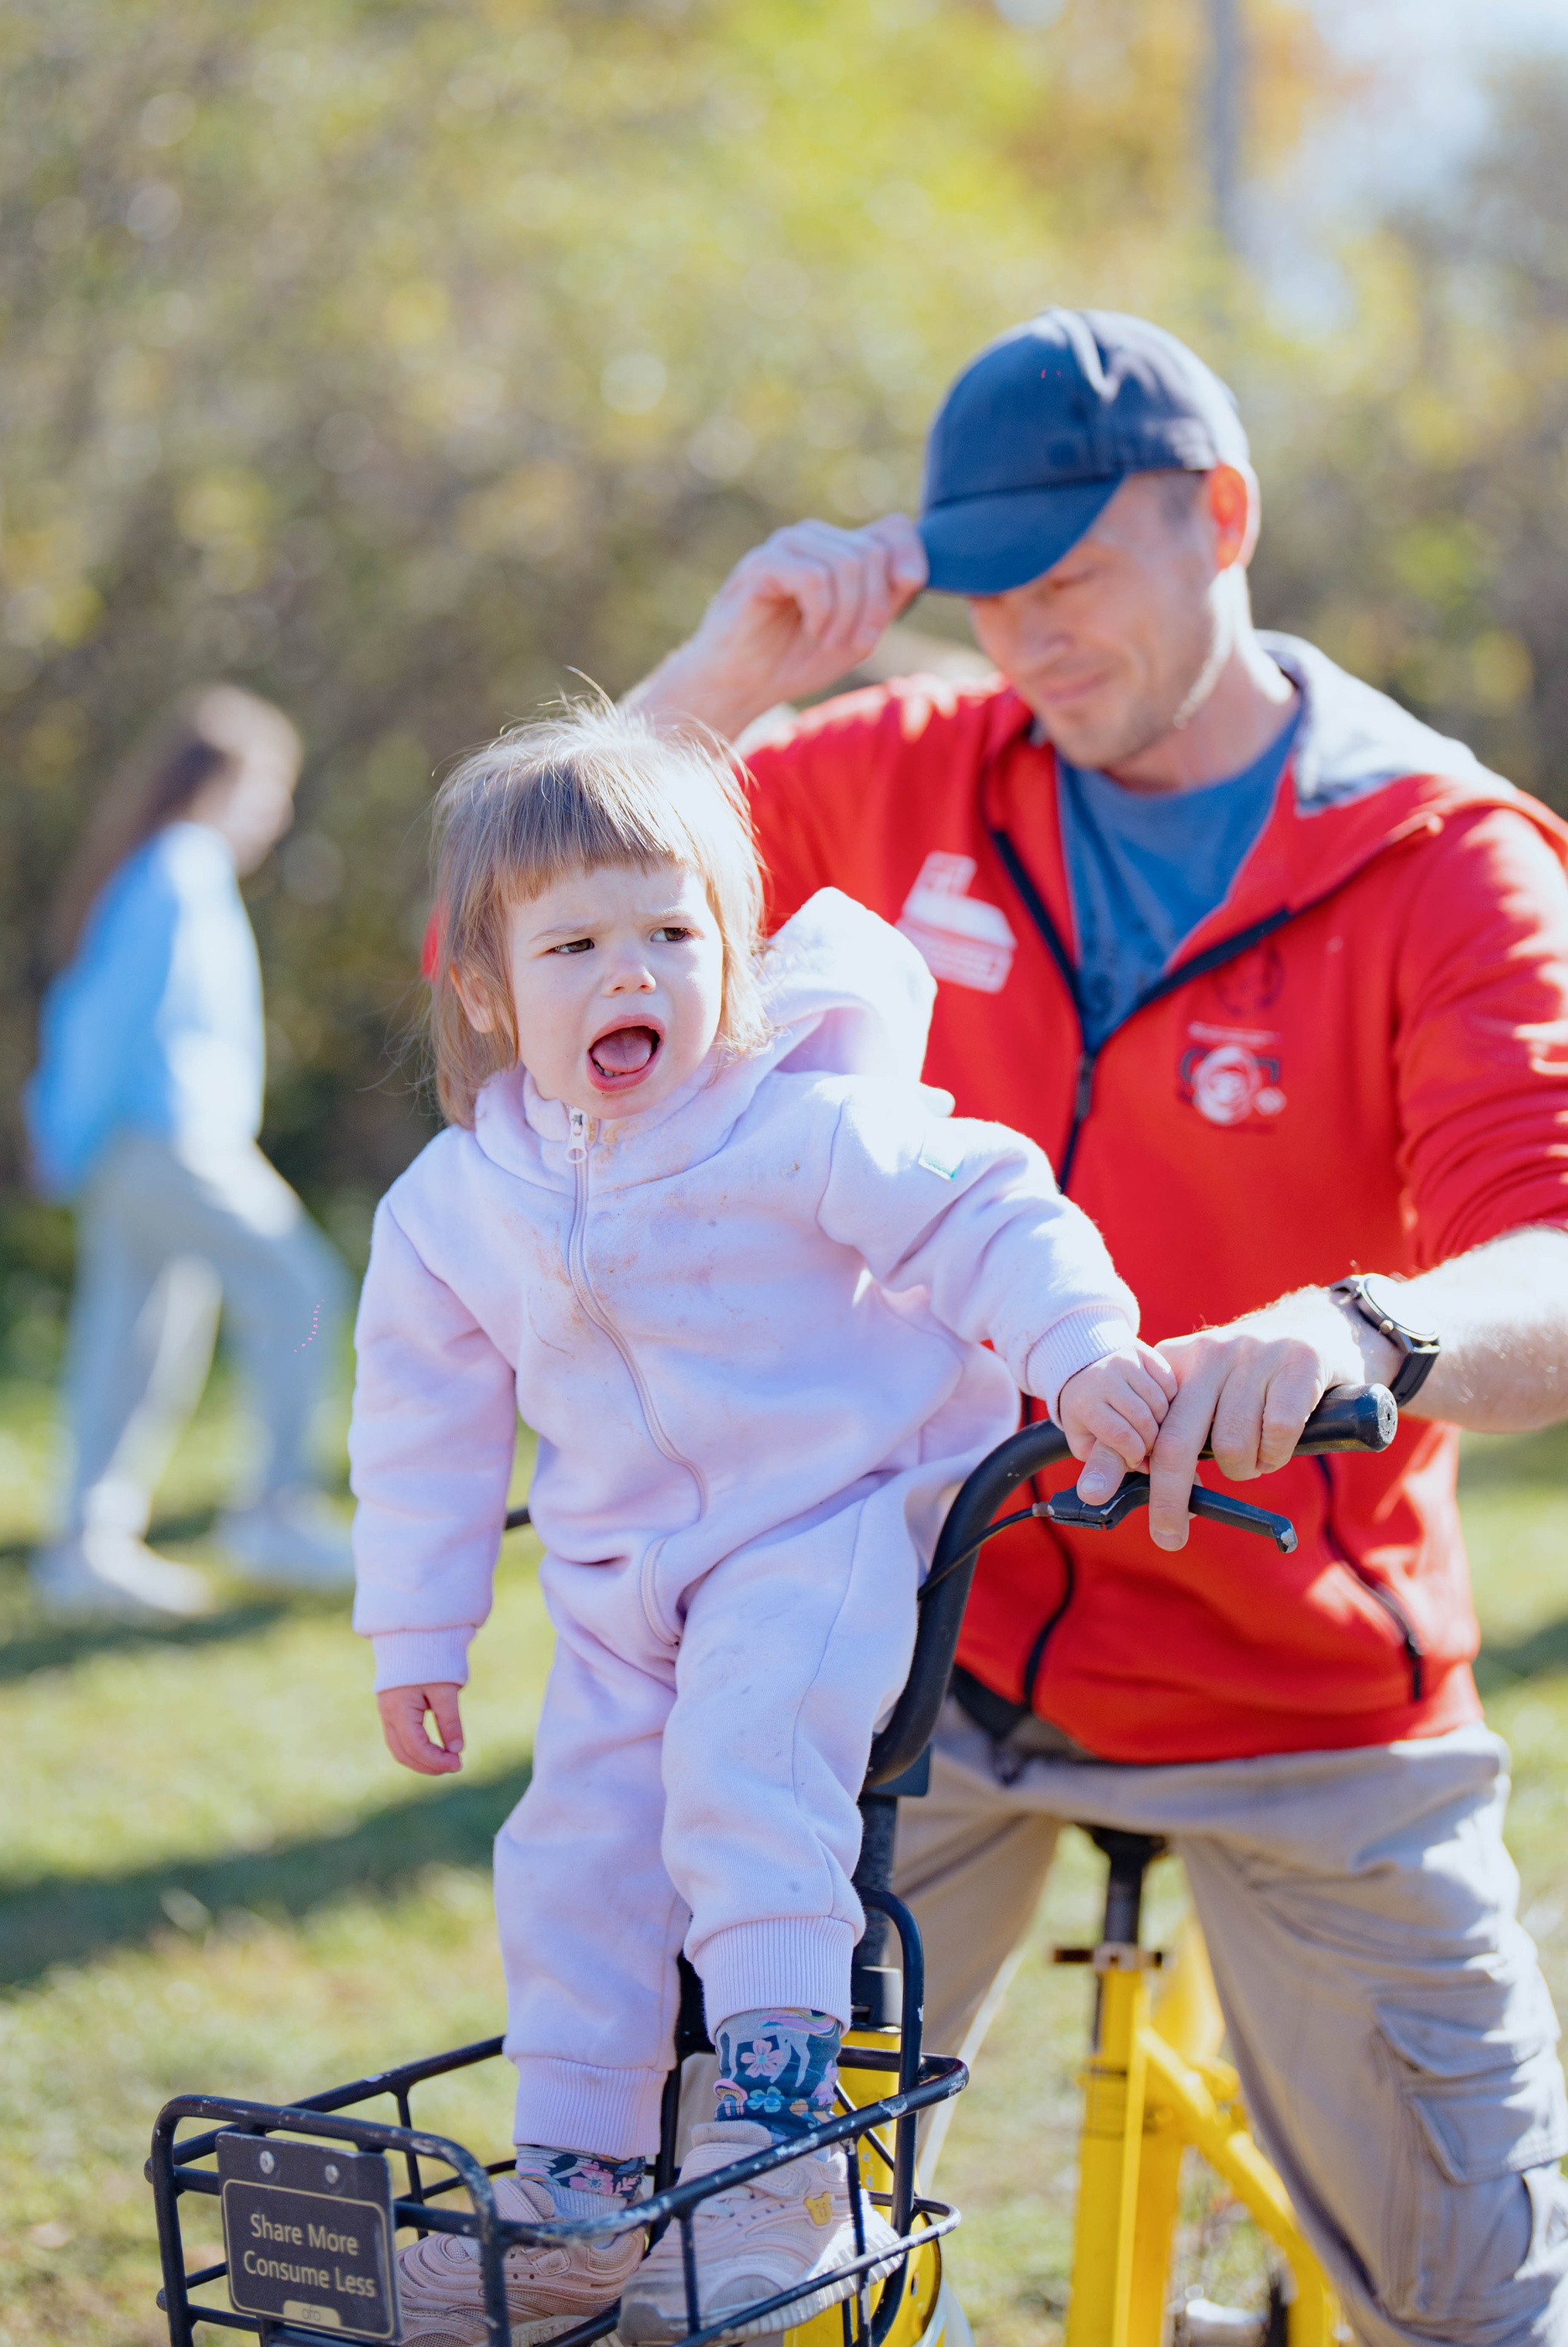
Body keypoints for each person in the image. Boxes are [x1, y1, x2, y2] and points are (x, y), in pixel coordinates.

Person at [628, 310, 1568, 2347]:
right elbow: (514, 955)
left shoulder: (1444, 864)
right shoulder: (902, 768)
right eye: (987, 587)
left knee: (1485, 2315)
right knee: (709, 2277)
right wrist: (725, 678)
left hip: (1303, 1703)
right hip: (915, 1657)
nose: (1024, 635)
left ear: (1224, 516)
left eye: (1073, 575)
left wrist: (1367, 1331)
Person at [348, 705, 1166, 2347]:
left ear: (733, 954)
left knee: (746, 1766)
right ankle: (579, 2185)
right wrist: (415, 1632)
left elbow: (979, 1204)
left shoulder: (791, 1121)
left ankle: (781, 2154)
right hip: (611, 1569)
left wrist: (1079, 1354)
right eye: (575, 944)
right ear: (491, 992)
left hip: (819, 1523)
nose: (629, 973)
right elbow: (422, 1424)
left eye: (671, 931)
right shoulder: (459, 1198)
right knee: (574, 1848)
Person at [26, 683, 354, 1617]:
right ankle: (275, 1509)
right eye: (270, 789)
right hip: (168, 1145)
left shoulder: (168, 869)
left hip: (145, 1149)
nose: (278, 814)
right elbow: (100, 1022)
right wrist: (63, 1136)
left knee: (138, 1342)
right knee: (302, 1295)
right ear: (219, 782)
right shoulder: (179, 869)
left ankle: (87, 1545)